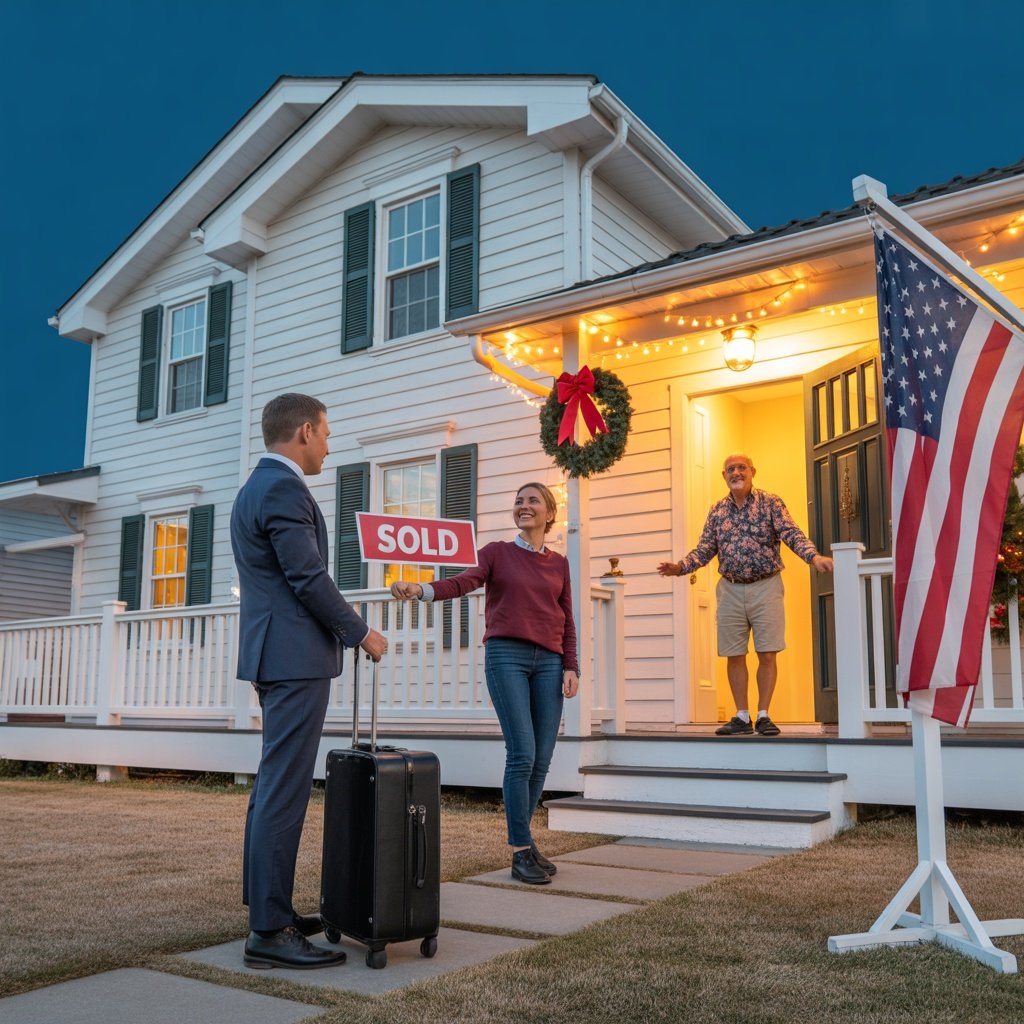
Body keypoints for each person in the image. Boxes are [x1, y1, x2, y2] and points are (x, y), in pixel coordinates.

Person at [231, 392, 387, 969]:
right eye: (325, 432)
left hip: (276, 655)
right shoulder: (282, 488)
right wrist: (360, 633)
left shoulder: (256, 486)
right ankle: (268, 931)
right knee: (284, 789)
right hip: (293, 658)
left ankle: (269, 912)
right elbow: (307, 577)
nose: (328, 443)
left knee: (273, 785)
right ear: (303, 431)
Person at [390, 482, 579, 885]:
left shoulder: (559, 563)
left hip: (549, 662)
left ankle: (526, 841)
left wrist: (570, 665)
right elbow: (463, 582)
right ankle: (520, 850)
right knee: (522, 753)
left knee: (543, 757)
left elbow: (567, 618)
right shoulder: (496, 553)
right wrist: (421, 589)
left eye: (532, 501)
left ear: (549, 513)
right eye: (518, 500)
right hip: (506, 656)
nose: (523, 505)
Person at [657, 453, 832, 737]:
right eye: (730, 469)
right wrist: (679, 568)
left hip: (766, 586)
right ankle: (741, 716)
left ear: (752, 471)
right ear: (723, 476)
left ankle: (763, 715)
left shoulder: (770, 503)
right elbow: (705, 549)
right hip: (730, 589)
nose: (736, 472)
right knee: (734, 654)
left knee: (767, 651)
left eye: (741, 468)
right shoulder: (717, 511)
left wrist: (813, 558)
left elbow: (792, 533)